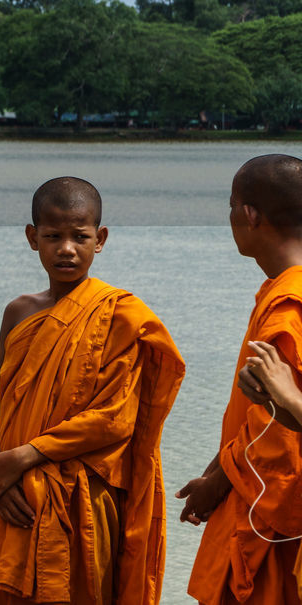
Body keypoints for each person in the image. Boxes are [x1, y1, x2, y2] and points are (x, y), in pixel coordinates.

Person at [0, 177, 185, 605]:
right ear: (33, 238)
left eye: (79, 237)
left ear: (99, 239)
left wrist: (25, 456)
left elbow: (114, 419)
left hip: (84, 497)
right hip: (10, 494)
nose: (66, 248)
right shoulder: (19, 312)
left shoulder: (122, 315)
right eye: (53, 237)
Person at [181, 154, 302, 604]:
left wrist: (218, 482)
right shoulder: (284, 290)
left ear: (249, 214)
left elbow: (278, 428)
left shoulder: (287, 306)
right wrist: (214, 470)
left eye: (231, 205)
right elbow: (260, 411)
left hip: (269, 515)